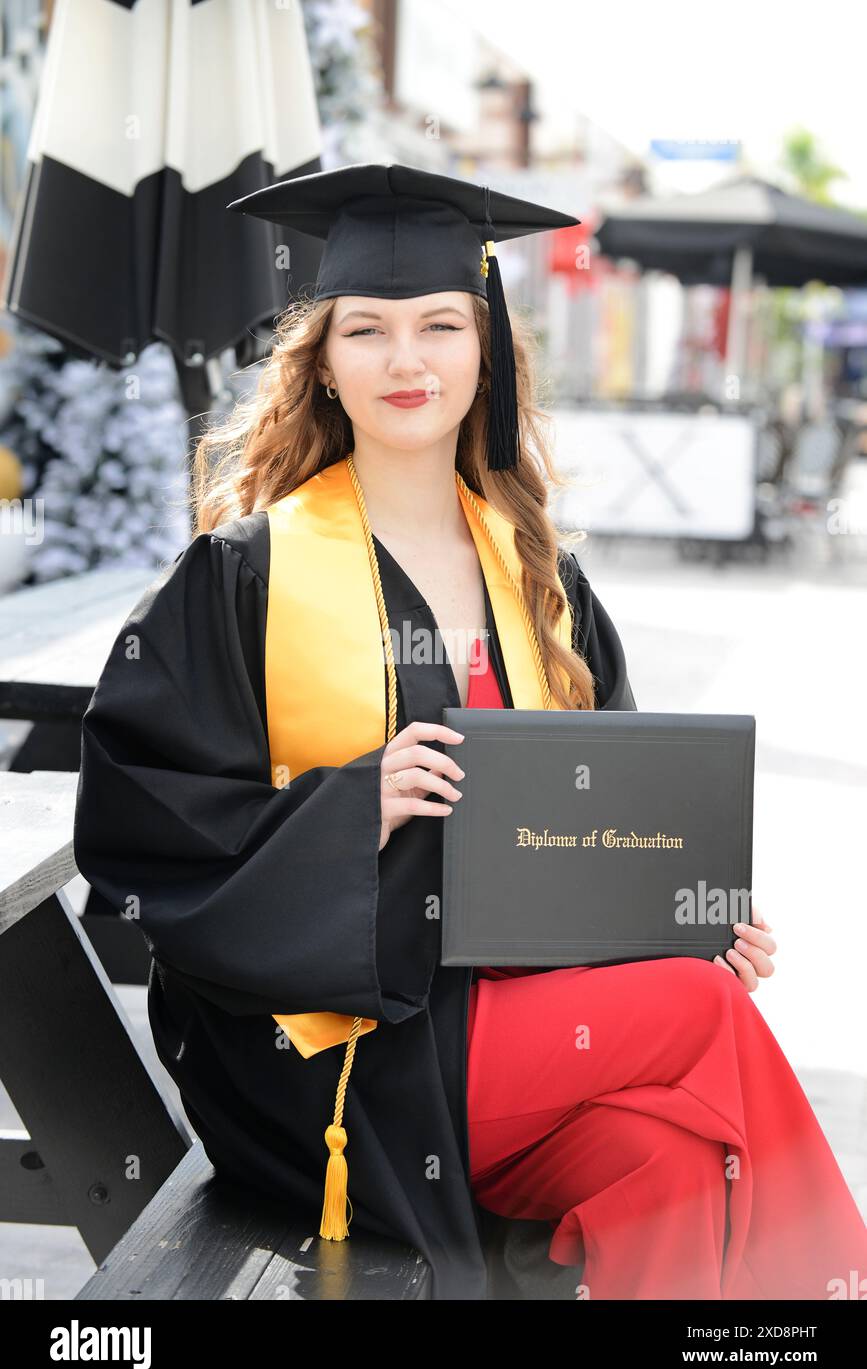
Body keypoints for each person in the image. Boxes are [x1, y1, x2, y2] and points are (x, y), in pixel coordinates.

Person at [73, 163, 867, 1302]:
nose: (409, 360)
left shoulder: (541, 577)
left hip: (526, 1031)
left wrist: (692, 922)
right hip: (342, 1049)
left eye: (442, 324)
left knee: (675, 1157)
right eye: (369, 331)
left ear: (484, 350)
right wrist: (349, 809)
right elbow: (136, 832)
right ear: (325, 364)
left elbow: (623, 823)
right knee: (697, 1018)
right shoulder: (243, 577)